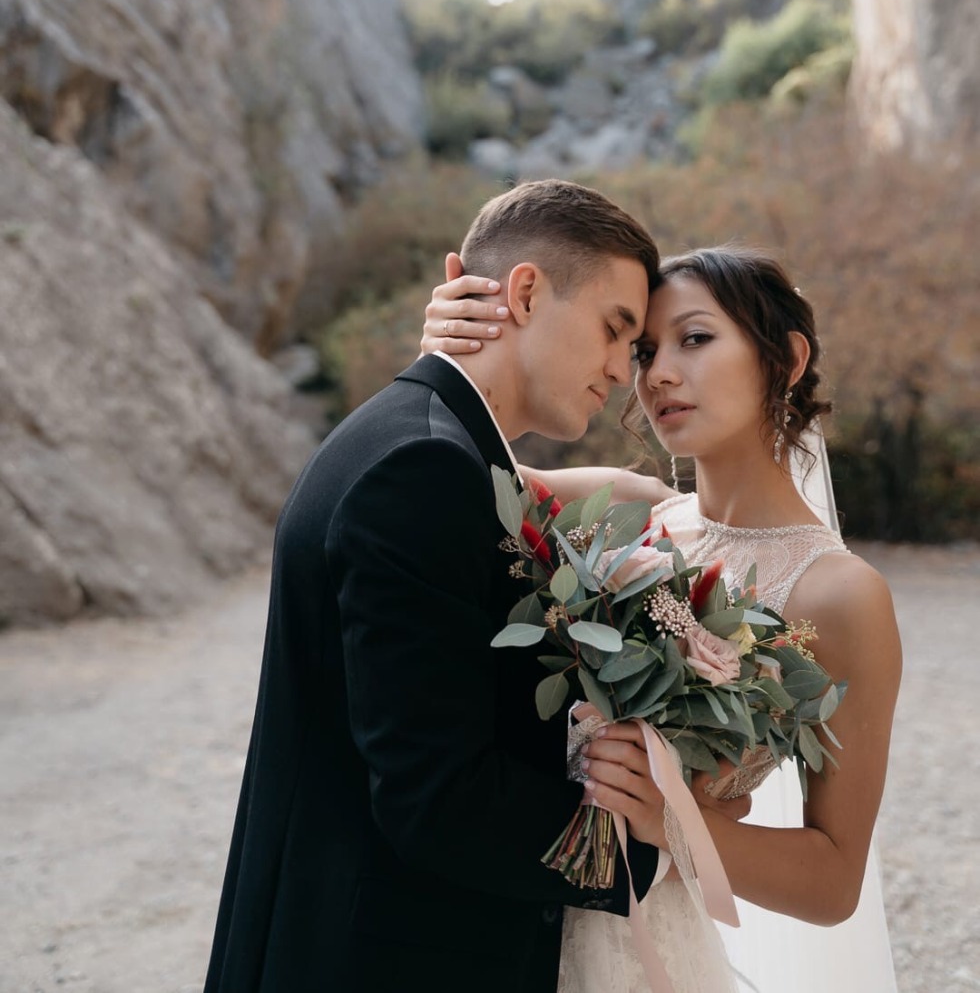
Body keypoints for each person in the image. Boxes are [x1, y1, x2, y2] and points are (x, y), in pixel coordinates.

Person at [205, 179, 699, 993]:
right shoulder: (423, 471)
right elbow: (437, 797)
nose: (622, 370)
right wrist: (645, 847)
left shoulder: (425, 445)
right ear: (527, 293)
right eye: (615, 330)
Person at [422, 243, 902, 993]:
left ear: (788, 357)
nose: (659, 374)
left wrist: (671, 823)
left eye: (696, 339)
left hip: (640, 943)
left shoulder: (840, 597)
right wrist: (450, 343)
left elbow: (834, 880)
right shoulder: (622, 509)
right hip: (503, 916)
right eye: (643, 350)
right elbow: (435, 461)